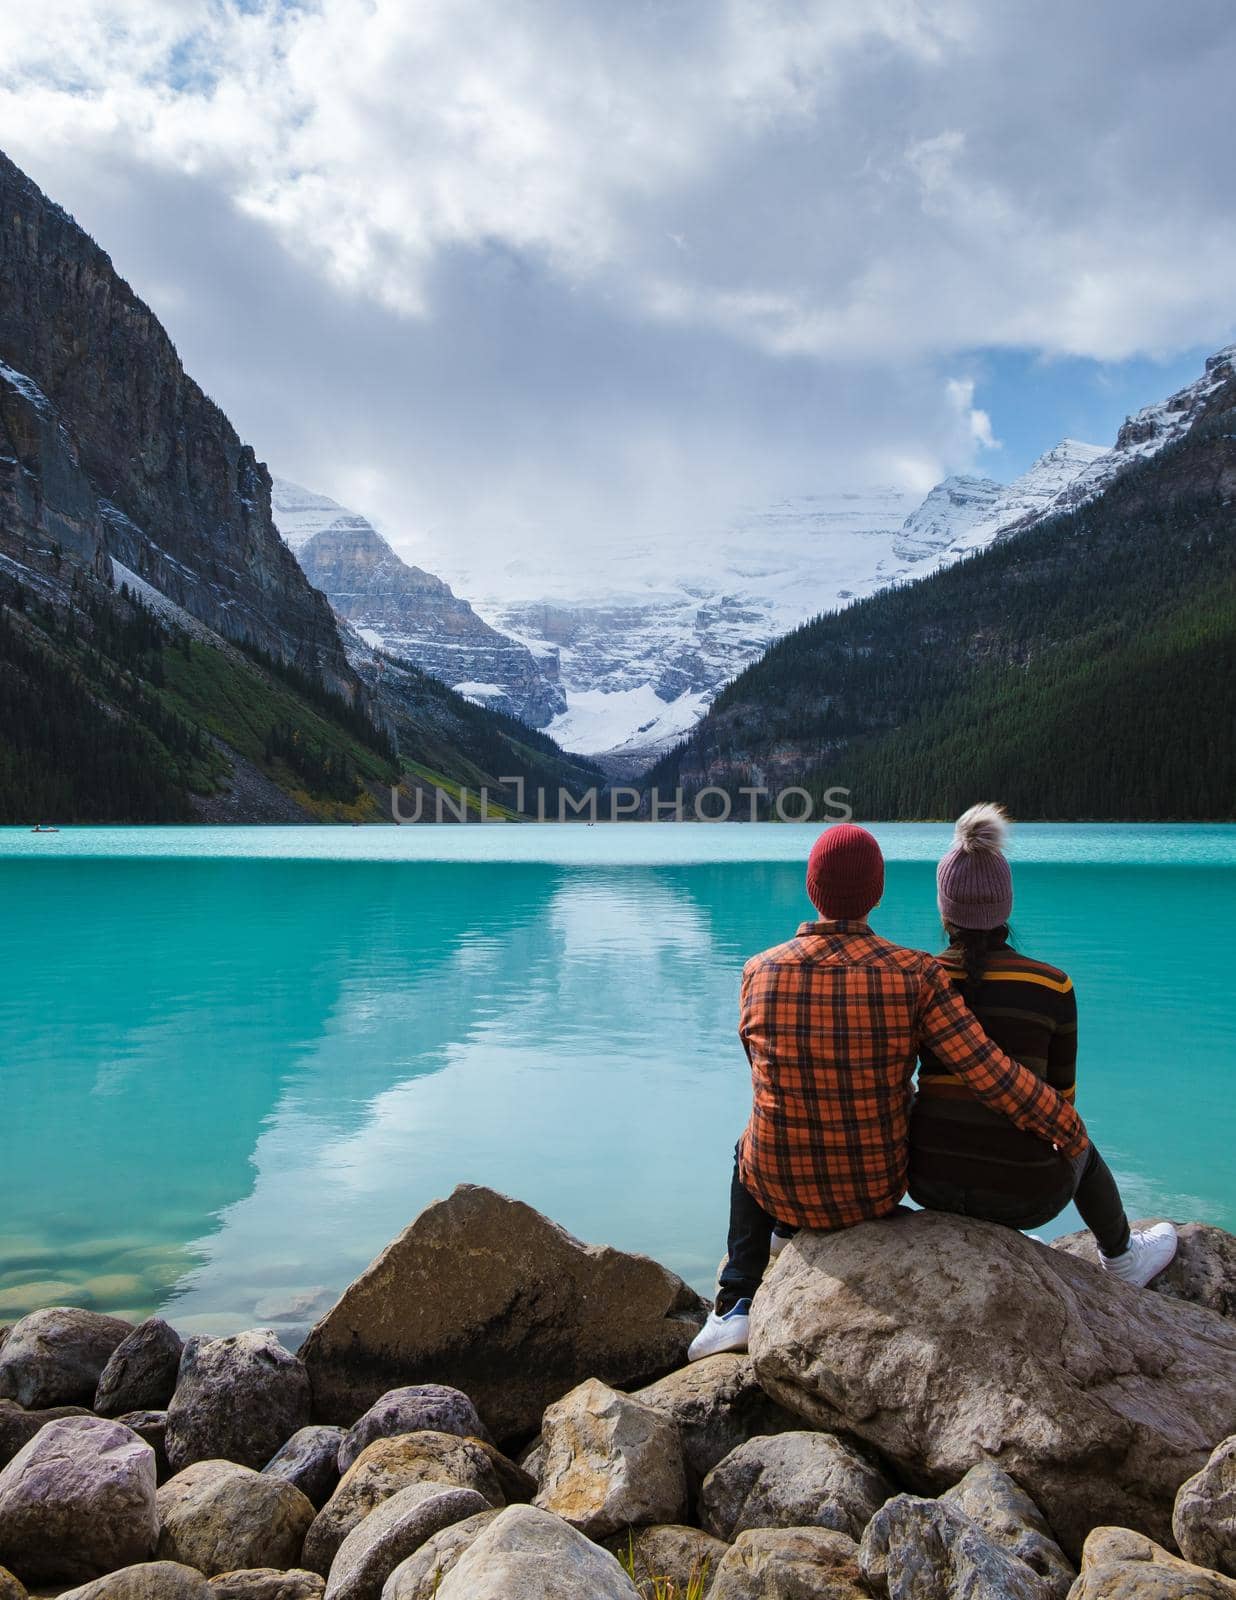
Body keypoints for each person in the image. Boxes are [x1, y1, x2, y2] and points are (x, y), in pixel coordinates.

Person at [689, 821, 1093, 1361]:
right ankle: (772, 1253)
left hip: (781, 1186)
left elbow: (765, 1076)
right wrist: (1068, 1129)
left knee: (751, 1142)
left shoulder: (758, 971)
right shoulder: (915, 974)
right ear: (877, 894)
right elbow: (989, 1074)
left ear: (812, 890)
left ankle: (736, 1302)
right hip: (875, 1192)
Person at [908, 803, 1176, 1283]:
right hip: (1025, 1193)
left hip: (927, 1180)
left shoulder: (918, 982)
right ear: (1005, 905)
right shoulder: (1051, 986)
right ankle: (1121, 1258)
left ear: (944, 909)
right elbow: (1061, 1110)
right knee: (1082, 1146)